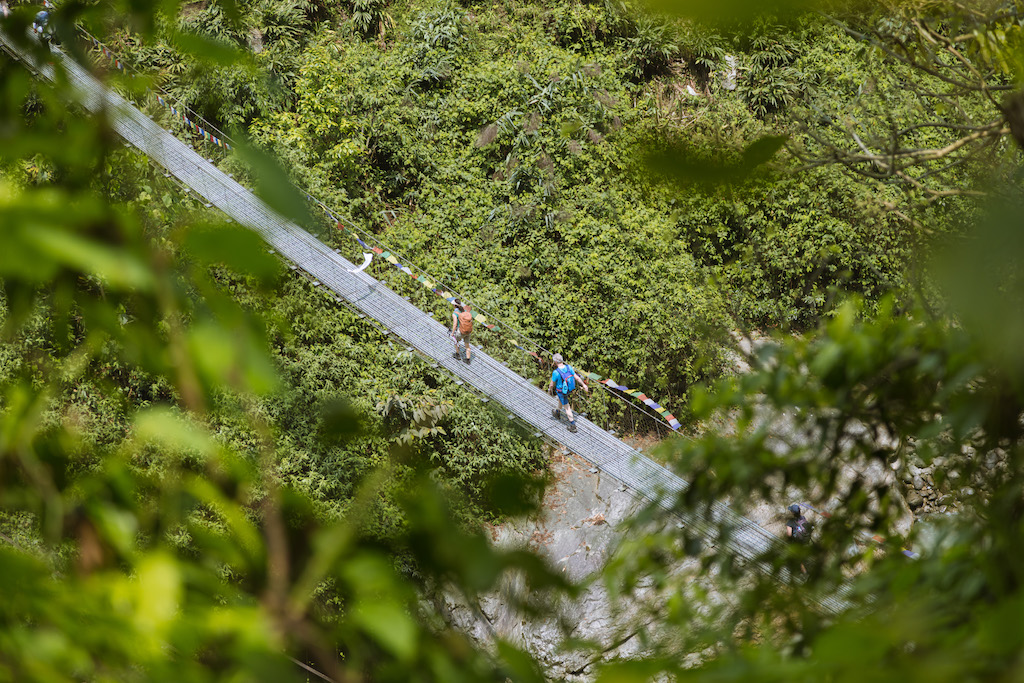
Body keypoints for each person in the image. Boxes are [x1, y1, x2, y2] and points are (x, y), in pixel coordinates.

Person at [548, 353, 589, 433]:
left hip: (561, 391)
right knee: (561, 401)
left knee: (567, 407)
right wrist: (584, 385)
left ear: (555, 362)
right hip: (569, 390)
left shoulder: (555, 372)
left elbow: (552, 384)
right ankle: (557, 412)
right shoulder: (569, 367)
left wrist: (549, 390)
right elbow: (576, 378)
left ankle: (573, 426)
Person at [785, 504, 811, 574]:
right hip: (805, 540)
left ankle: (803, 571)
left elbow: (789, 534)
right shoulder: (803, 518)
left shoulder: (790, 522)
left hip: (797, 542)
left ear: (792, 513)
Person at [451, 300, 473, 364]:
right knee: (467, 345)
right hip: (468, 331)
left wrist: (452, 333)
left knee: (456, 342)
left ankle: (457, 355)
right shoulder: (465, 311)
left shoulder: (455, 313)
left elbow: (455, 324)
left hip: (460, 331)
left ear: (454, 305)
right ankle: (468, 359)